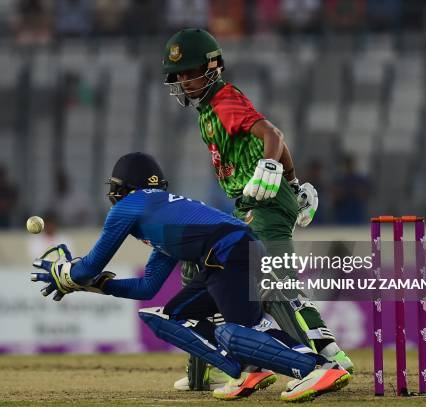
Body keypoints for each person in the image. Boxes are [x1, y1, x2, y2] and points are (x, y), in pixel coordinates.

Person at [31, 152, 351, 402]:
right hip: (229, 253)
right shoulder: (163, 221)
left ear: (119, 190)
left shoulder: (129, 206)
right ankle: (251, 370)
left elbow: (88, 265)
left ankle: (318, 367)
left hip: (230, 253)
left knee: (238, 331)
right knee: (171, 316)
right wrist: (97, 285)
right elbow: (147, 287)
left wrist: (67, 273)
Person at [161, 28, 353, 396]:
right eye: (180, 76)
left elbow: (271, 135)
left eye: (189, 73)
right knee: (210, 270)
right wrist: (294, 184)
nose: (183, 82)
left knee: (271, 283)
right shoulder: (207, 110)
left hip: (263, 202)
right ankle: (227, 366)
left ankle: (324, 365)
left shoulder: (223, 98)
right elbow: (275, 137)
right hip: (251, 202)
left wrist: (273, 170)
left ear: (212, 67)